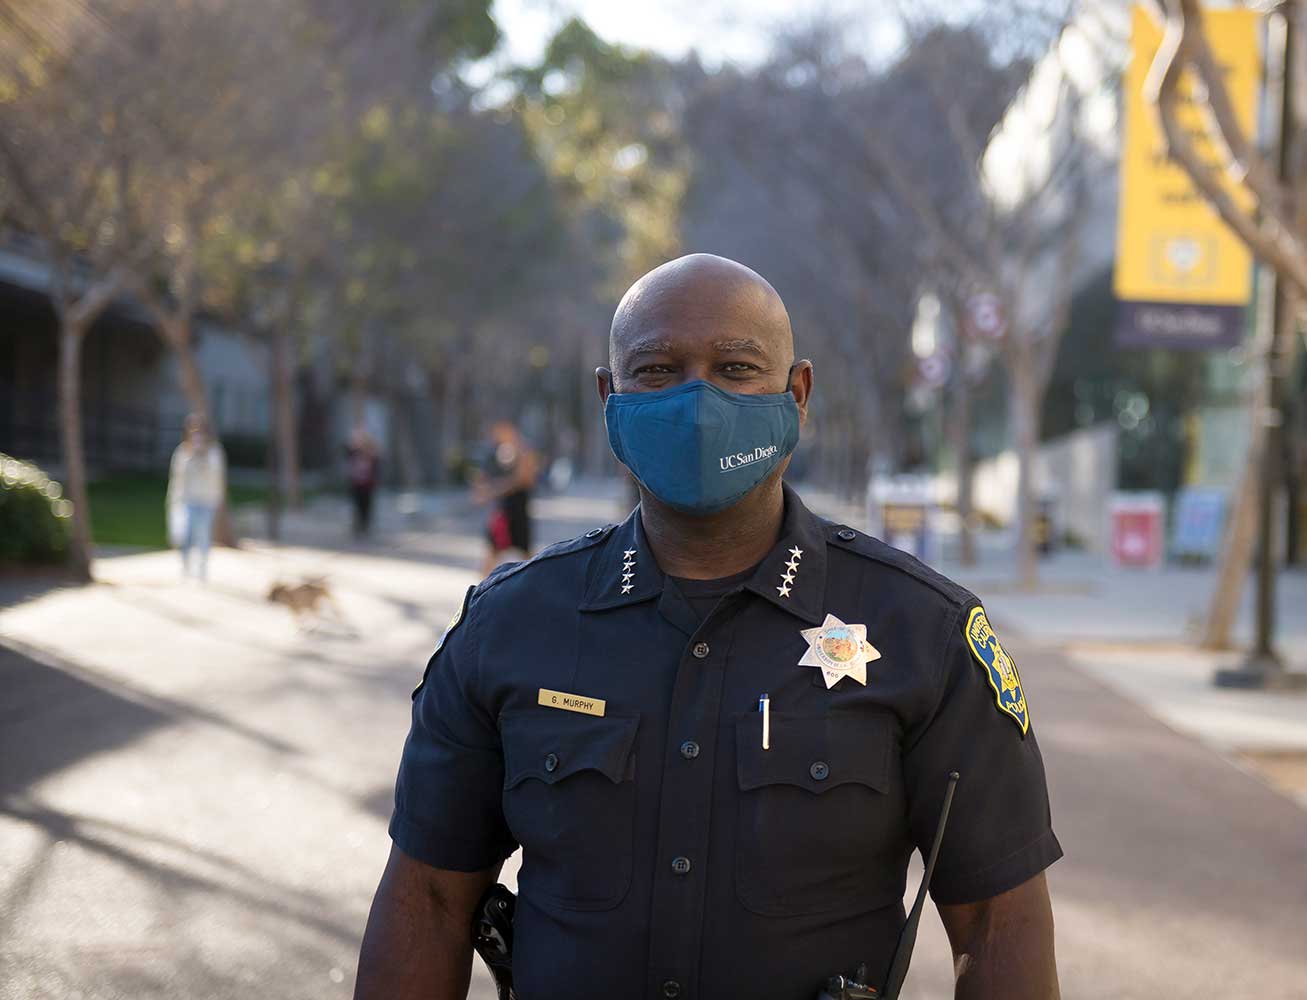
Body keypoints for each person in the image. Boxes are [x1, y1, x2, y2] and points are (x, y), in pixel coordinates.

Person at [355, 254, 1062, 1000]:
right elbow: (428, 898)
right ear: (610, 396)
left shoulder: (925, 635)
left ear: (797, 393)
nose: (697, 401)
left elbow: (996, 922)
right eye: (657, 370)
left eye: (736, 368)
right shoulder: (509, 626)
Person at [166, 413, 226, 581]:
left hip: (207, 500)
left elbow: (217, 476)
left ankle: (202, 567)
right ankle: (185, 565)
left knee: (203, 535)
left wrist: (203, 456)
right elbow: (177, 477)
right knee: (185, 534)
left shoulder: (214, 452)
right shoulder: (182, 452)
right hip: (187, 499)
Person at [478, 420, 538, 568]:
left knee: (525, 554)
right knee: (494, 550)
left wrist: (495, 490)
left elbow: (524, 480)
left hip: (517, 508)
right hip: (504, 509)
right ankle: (483, 587)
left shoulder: (524, 452)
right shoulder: (502, 451)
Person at [346, 425, 380, 539]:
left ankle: (365, 525)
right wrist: (355, 441)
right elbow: (346, 450)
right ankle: (357, 525)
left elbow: (377, 465)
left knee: (366, 505)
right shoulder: (353, 452)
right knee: (357, 504)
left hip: (368, 484)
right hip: (356, 483)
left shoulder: (371, 453)